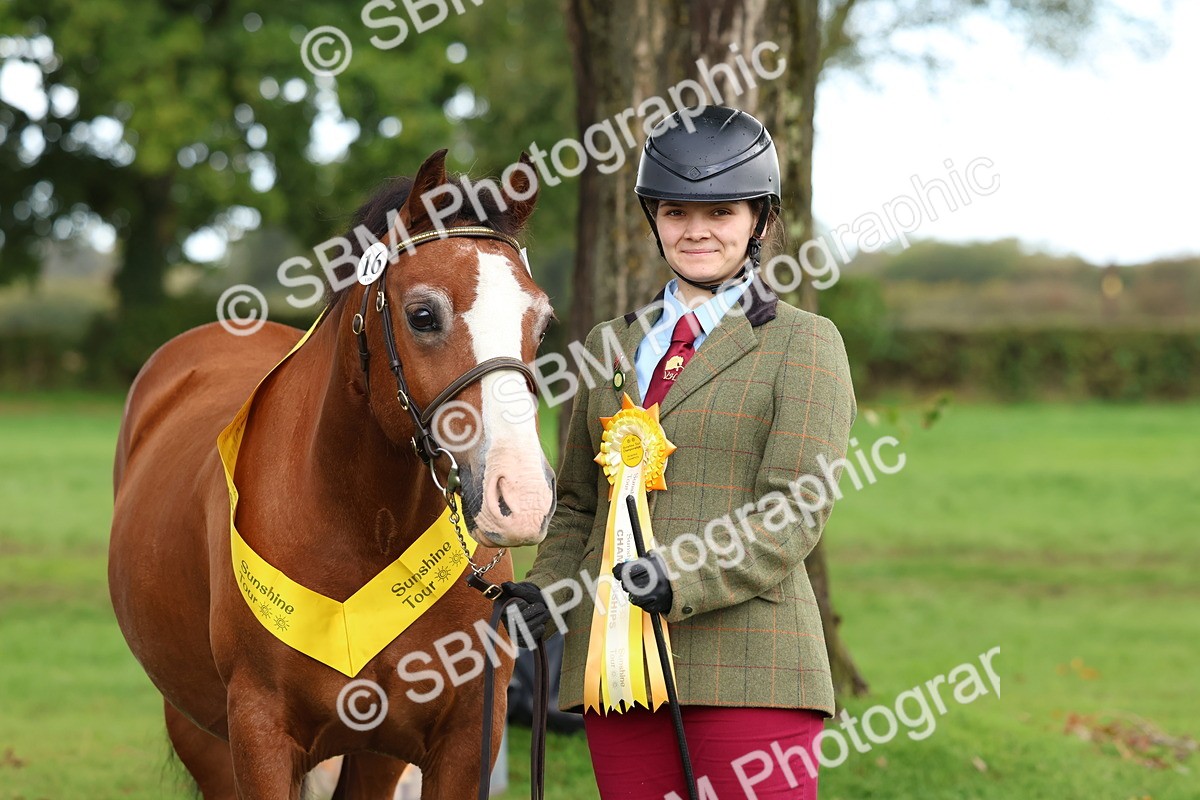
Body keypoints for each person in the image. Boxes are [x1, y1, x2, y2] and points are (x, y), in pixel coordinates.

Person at [502, 105, 857, 800]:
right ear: (653, 218)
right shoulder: (609, 342)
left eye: (721, 212)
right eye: (675, 211)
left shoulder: (804, 343)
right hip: (614, 672)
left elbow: (796, 508)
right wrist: (542, 593)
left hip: (751, 667)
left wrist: (682, 575)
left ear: (760, 221)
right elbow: (578, 502)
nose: (696, 230)